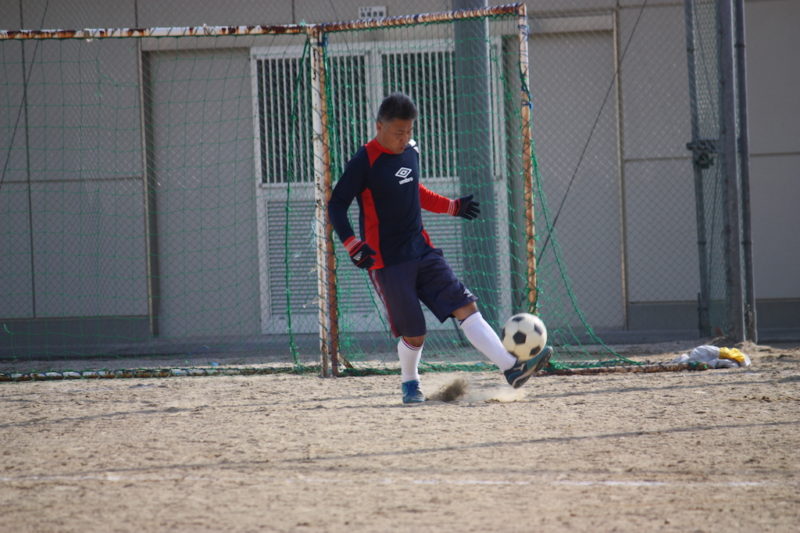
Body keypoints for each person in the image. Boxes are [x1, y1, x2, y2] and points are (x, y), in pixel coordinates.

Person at [328, 92, 552, 404]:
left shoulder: (411, 150)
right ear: (379, 126)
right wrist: (352, 243)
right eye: (398, 132)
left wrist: (452, 207)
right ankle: (410, 383)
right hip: (388, 262)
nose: (404, 138)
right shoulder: (363, 161)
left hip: (422, 250)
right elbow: (337, 204)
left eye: (409, 131)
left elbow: (414, 190)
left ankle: (512, 368)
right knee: (415, 333)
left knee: (466, 306)